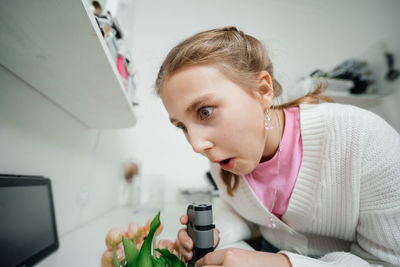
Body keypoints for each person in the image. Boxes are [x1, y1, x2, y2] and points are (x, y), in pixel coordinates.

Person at [155, 27, 400, 266]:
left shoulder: (364, 139)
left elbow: (386, 261)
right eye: (182, 126)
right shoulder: (223, 159)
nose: (197, 146)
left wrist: (280, 264)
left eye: (205, 112)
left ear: (263, 90)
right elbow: (246, 213)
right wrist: (216, 231)